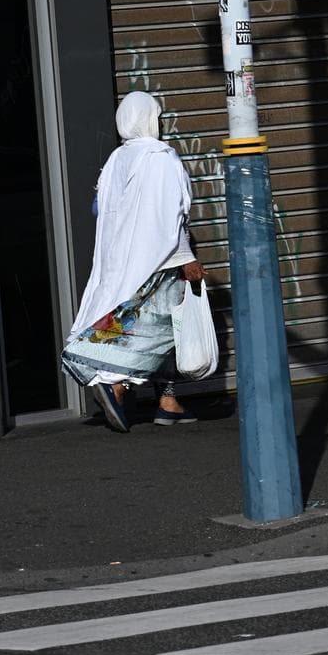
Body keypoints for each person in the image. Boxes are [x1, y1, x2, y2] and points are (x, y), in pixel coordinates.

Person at [60, 91, 207, 432]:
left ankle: (167, 402)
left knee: (149, 325)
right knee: (161, 329)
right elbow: (168, 217)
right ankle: (118, 385)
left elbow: (99, 209)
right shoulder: (160, 158)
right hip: (160, 261)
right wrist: (186, 259)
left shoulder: (115, 160)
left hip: (120, 261)